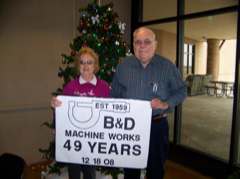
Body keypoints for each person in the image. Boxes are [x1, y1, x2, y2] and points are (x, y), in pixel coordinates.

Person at [110, 27, 187, 179]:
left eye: (147, 42)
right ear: (133, 45)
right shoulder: (123, 66)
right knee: (130, 169)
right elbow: (114, 96)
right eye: (138, 42)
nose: (142, 46)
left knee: (156, 169)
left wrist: (166, 104)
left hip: (156, 125)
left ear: (155, 44)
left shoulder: (167, 66)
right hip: (129, 126)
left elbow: (182, 90)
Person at [51, 47, 111, 179]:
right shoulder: (70, 87)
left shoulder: (105, 87)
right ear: (78, 66)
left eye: (89, 62)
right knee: (73, 171)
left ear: (95, 65)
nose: (85, 66)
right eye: (82, 62)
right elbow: (60, 113)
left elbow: (111, 112)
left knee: (90, 172)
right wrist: (55, 106)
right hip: (74, 139)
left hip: (93, 138)